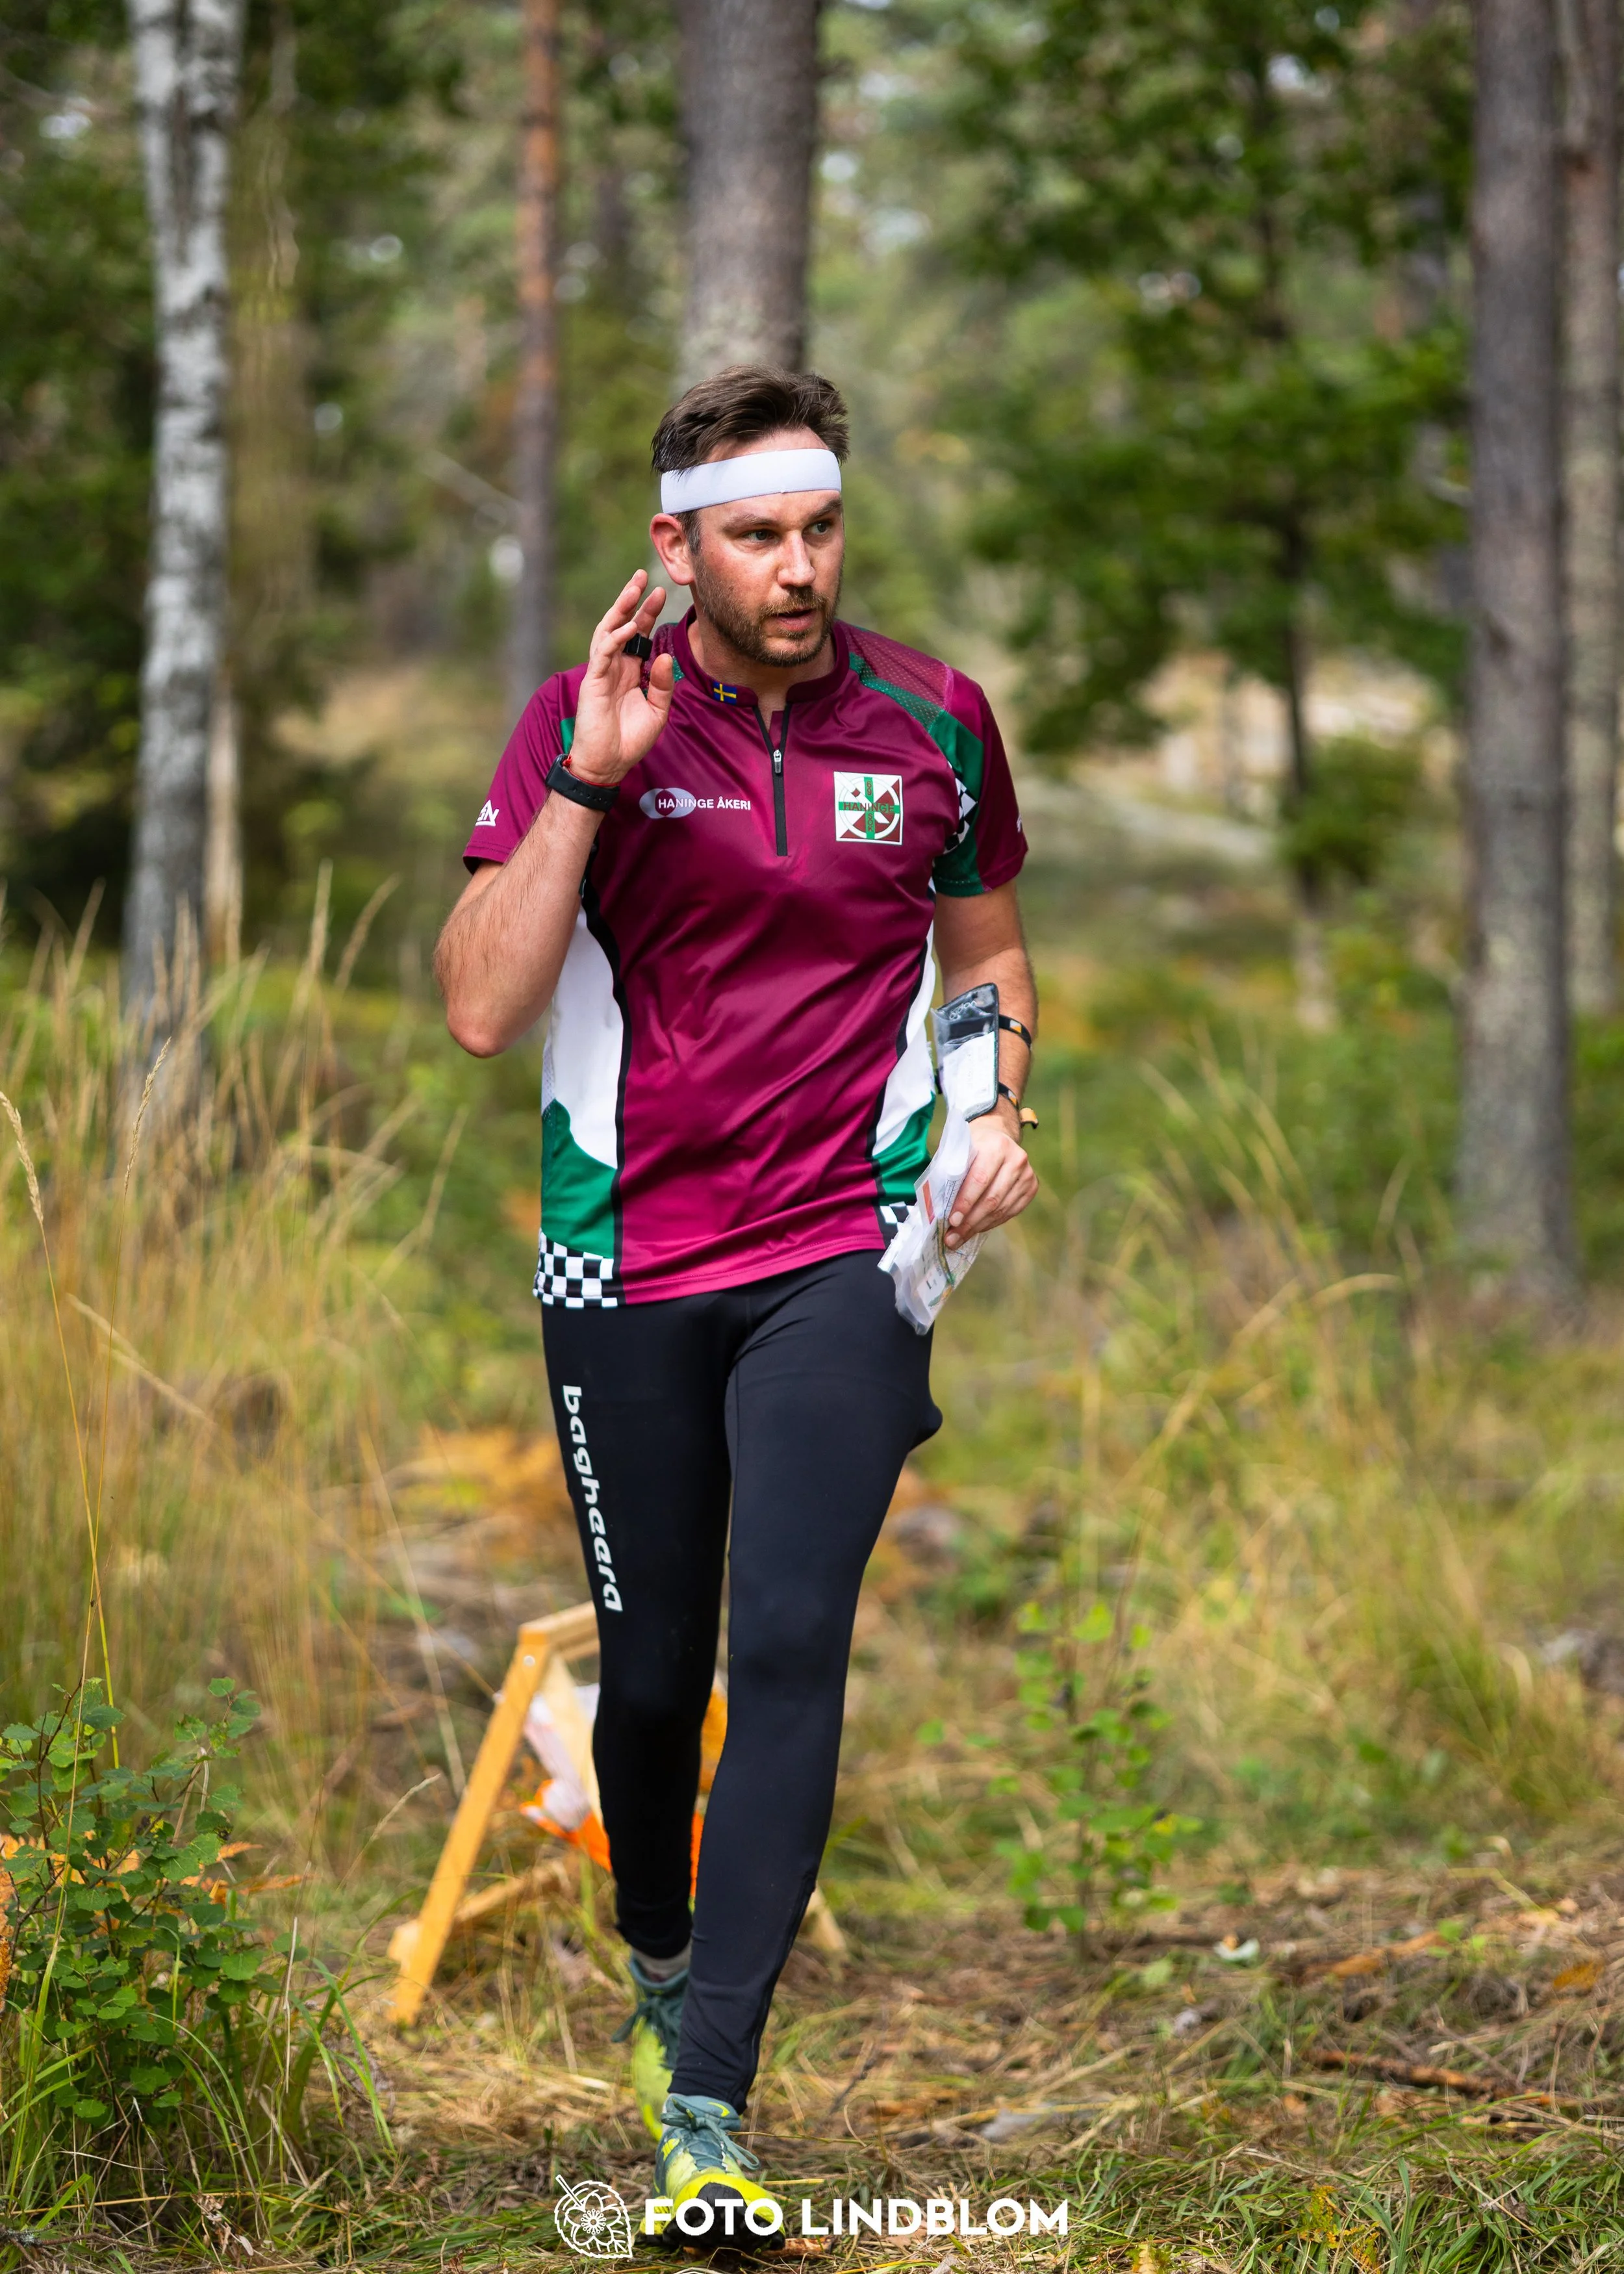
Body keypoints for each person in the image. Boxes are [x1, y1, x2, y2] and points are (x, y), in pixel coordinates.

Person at [434, 364, 1039, 2230]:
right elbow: (479, 1002)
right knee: (654, 1678)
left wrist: (994, 1100)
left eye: (820, 526)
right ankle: (654, 1935)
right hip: (619, 1257)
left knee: (786, 1647)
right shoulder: (584, 717)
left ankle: (708, 2099)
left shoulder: (932, 717)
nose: (798, 566)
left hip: (845, 1256)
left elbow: (985, 940)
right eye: (758, 534)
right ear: (675, 545)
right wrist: (585, 792)